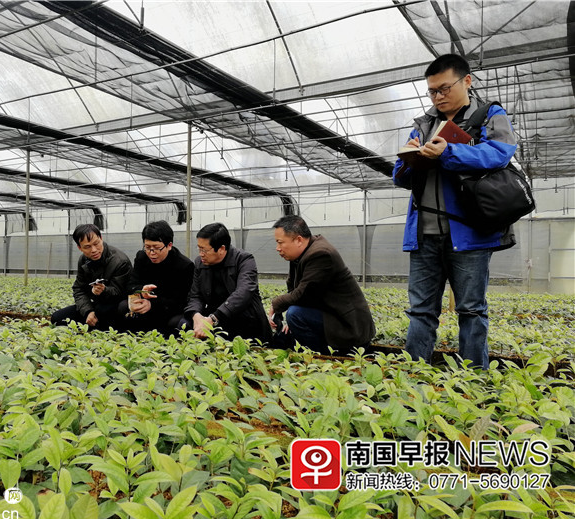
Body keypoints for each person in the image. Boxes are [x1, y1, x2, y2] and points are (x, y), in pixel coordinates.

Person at [393, 54, 518, 369]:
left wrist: (450, 151)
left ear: (467, 81)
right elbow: (399, 175)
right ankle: (412, 376)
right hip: (424, 234)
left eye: (444, 88)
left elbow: (500, 154)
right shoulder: (423, 124)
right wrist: (410, 158)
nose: (438, 97)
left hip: (469, 234)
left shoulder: (489, 115)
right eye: (432, 91)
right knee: (420, 310)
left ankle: (474, 380)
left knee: (471, 310)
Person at [268, 215, 375, 354]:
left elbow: (302, 293)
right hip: (329, 315)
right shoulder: (300, 254)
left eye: (280, 242)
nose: (278, 248)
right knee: (288, 328)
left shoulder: (320, 254)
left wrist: (276, 304)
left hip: (348, 326)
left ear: (299, 240)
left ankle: (325, 357)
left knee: (295, 315)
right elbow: (296, 290)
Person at [182, 223, 270, 342]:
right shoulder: (200, 263)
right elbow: (195, 295)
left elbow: (243, 293)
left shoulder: (244, 260)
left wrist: (213, 318)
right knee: (184, 324)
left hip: (245, 320)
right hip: (216, 320)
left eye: (204, 250)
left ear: (222, 249)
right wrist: (196, 316)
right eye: (199, 248)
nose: (201, 254)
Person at [118, 220, 194, 334]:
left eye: (156, 248)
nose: (151, 253)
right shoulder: (142, 257)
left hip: (168, 310)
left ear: (169, 245)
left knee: (176, 323)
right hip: (145, 304)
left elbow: (181, 301)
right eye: (147, 247)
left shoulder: (184, 266)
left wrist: (152, 305)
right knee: (123, 307)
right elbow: (131, 284)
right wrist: (141, 291)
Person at [51, 224, 132, 330]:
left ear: (101, 238)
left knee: (104, 311)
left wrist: (104, 290)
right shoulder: (83, 260)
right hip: (95, 306)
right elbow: (79, 289)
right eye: (87, 247)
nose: (94, 250)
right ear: (80, 248)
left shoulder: (120, 261)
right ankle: (97, 325)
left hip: (115, 306)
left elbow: (121, 293)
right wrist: (88, 311)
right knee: (57, 318)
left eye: (96, 243)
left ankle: (102, 326)